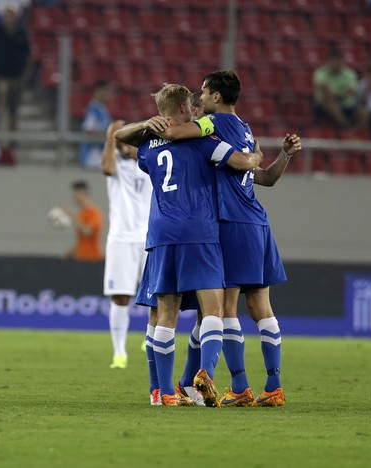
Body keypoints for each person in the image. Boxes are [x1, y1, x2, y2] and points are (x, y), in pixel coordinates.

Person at [157, 70, 302, 407]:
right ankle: (274, 387)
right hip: (258, 223)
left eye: (204, 93)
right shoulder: (247, 130)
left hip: (230, 223)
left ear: (217, 97)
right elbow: (264, 177)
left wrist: (155, 125)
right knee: (262, 307)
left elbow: (177, 132)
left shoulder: (213, 124)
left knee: (225, 308)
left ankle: (238, 387)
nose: (199, 99)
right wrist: (286, 155)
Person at [116, 83, 262, 406]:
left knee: (162, 315)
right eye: (192, 109)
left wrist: (143, 126)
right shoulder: (202, 142)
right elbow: (239, 162)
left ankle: (162, 392)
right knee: (213, 309)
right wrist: (256, 156)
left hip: (160, 234)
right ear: (184, 110)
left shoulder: (148, 146)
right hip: (199, 231)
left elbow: (119, 138)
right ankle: (203, 376)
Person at [100, 119, 152, 370]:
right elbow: (106, 168)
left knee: (157, 293)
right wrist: (110, 137)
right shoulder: (116, 167)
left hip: (149, 238)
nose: (124, 149)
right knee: (120, 297)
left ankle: (151, 336)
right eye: (120, 145)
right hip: (121, 238)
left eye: (126, 143)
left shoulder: (151, 163)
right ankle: (119, 353)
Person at [0, 3, 30, 134]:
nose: (9, 18)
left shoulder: (21, 35)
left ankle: (12, 139)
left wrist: (24, 72)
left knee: (13, 110)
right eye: (7, 15)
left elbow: (27, 54)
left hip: (16, 76)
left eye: (12, 15)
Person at [313, 47, 359, 127]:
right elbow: (325, 91)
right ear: (329, 61)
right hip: (323, 108)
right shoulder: (320, 73)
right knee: (326, 100)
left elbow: (350, 91)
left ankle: (358, 134)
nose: (336, 64)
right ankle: (345, 124)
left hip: (346, 106)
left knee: (362, 113)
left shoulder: (350, 74)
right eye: (334, 61)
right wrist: (340, 94)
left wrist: (336, 95)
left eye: (338, 61)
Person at [63, 181, 104, 262]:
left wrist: (72, 216)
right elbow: (82, 241)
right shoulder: (80, 214)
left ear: (84, 194)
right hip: (80, 258)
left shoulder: (94, 212)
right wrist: (71, 251)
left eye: (77, 194)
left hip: (92, 259)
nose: (75, 197)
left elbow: (87, 232)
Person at [79, 82, 113, 169]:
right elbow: (88, 130)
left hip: (102, 153)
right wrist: (107, 136)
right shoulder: (92, 109)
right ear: (96, 92)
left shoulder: (104, 109)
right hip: (92, 155)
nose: (106, 93)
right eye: (103, 90)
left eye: (107, 91)